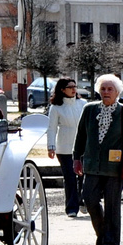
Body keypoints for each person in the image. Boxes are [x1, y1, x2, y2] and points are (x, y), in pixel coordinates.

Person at [72, 74, 123, 245]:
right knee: (89, 198)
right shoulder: (89, 109)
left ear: (117, 92)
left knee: (112, 205)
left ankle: (111, 244)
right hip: (92, 164)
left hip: (115, 167)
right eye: (103, 89)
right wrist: (76, 158)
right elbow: (80, 136)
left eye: (110, 89)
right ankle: (102, 232)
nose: (106, 92)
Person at [45, 78, 86, 217]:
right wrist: (51, 146)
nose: (74, 89)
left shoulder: (83, 104)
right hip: (65, 148)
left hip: (83, 147)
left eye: (75, 86)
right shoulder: (56, 107)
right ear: (62, 89)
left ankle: (83, 201)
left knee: (84, 177)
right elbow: (51, 128)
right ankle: (71, 208)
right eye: (70, 87)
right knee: (70, 178)